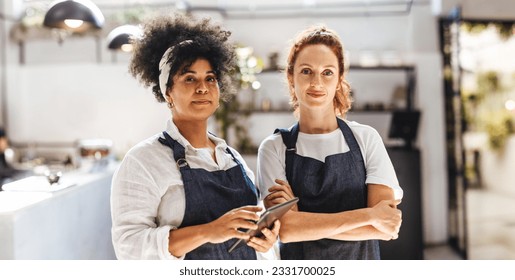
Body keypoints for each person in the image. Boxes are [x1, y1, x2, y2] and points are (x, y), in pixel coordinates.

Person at [110, 13, 280, 260]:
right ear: (167, 92)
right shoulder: (143, 161)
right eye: (189, 78)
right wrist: (209, 232)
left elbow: (254, 237)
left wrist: (265, 241)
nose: (202, 87)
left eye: (210, 78)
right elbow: (129, 247)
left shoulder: (233, 159)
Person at [256, 25, 403, 260]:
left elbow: (384, 227)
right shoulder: (274, 148)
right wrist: (368, 215)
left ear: (339, 80)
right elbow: (287, 230)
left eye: (327, 72)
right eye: (306, 71)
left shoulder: (366, 138)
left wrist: (305, 220)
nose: (316, 82)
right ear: (291, 77)